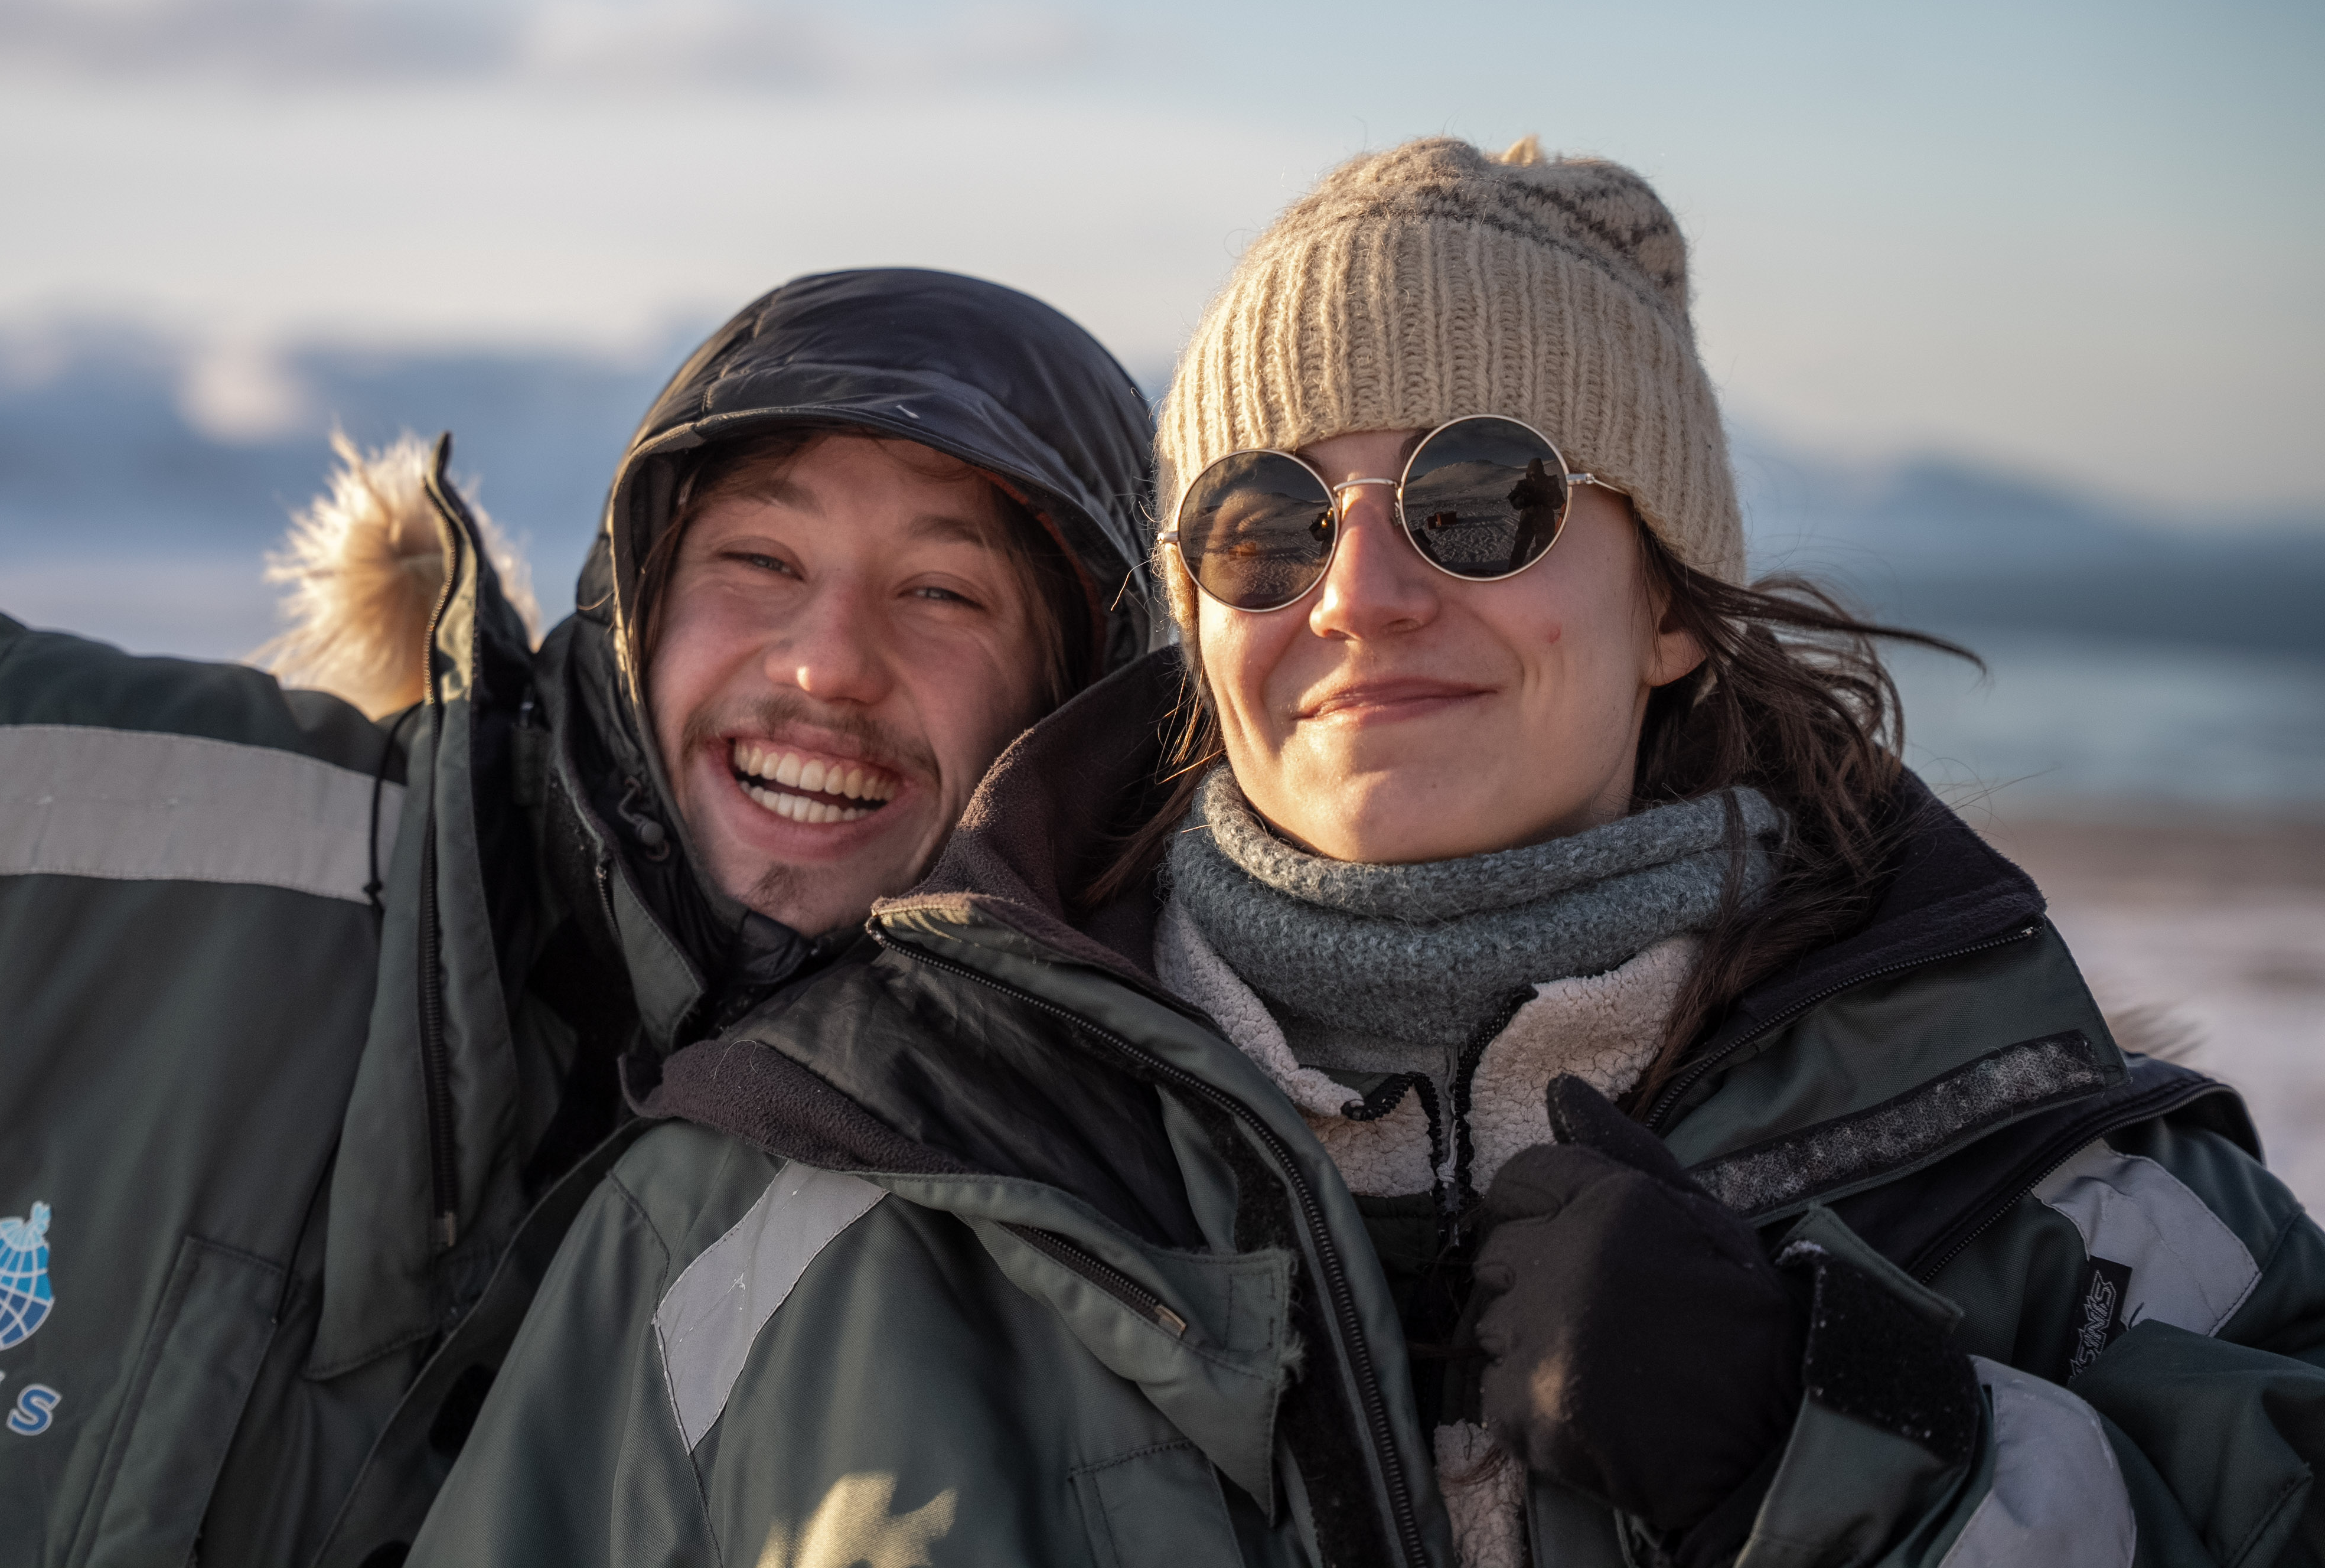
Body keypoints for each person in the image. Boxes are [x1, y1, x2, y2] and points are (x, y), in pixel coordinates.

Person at [412, 140, 2325, 1567]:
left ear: (1670, 603)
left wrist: (1832, 1447)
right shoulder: (788, 1201)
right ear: (1194, 619)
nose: (1363, 595)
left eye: (1481, 497)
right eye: (1265, 526)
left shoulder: (2070, 1203)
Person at [0, 267, 1153, 1563]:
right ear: (639, 602)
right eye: (760, 559)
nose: (826, 662)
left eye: (944, 594)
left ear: (1069, 716)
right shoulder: (124, 829)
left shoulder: (1029, 1230)